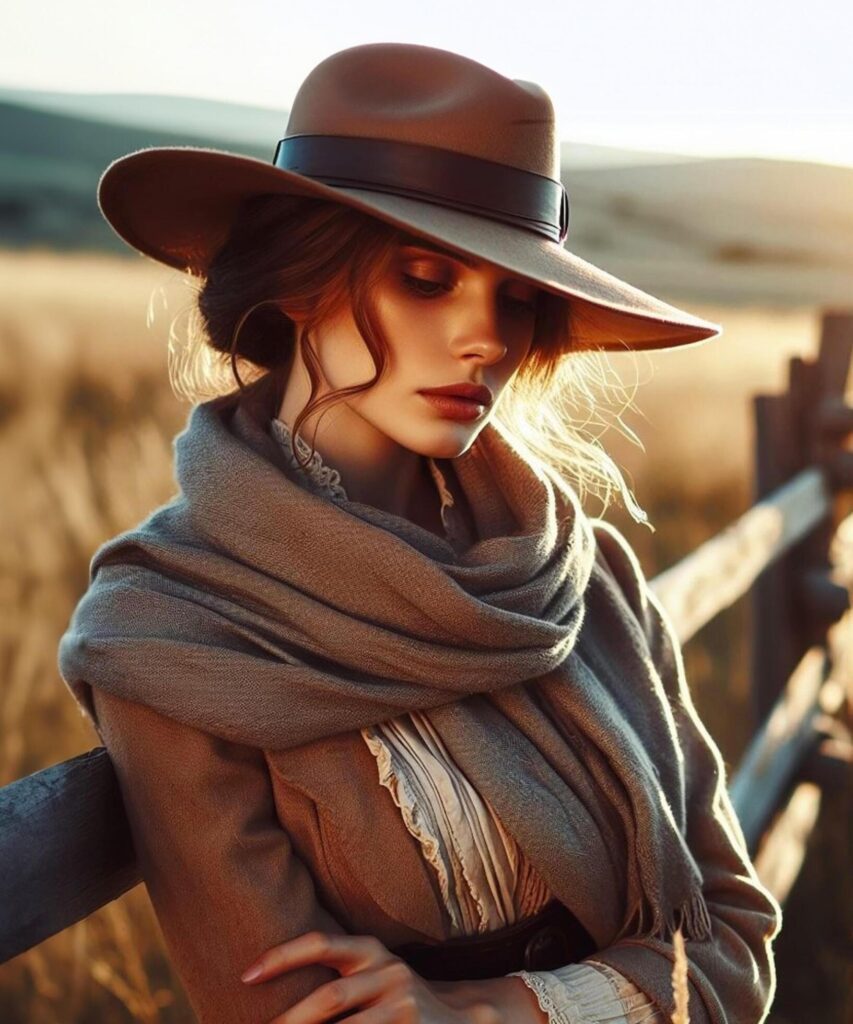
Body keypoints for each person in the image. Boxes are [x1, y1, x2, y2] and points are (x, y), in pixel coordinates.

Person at [58, 42, 782, 1024]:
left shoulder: (585, 575)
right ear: (296, 278)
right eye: (427, 276)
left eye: (519, 295)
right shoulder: (170, 633)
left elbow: (734, 947)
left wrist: (496, 1010)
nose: (488, 337)